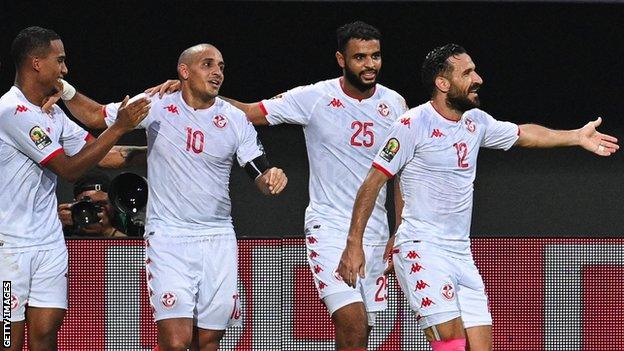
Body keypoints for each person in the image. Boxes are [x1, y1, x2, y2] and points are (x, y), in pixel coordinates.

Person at [337, 43, 619, 351]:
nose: (478, 78)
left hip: (461, 253)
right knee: (452, 343)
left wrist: (576, 137)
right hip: (422, 247)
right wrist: (354, 244)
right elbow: (373, 182)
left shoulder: (476, 123)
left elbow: (523, 134)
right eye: (467, 73)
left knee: (481, 347)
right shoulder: (412, 124)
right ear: (442, 83)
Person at [145, 21, 409, 350]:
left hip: (376, 231)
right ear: (341, 59)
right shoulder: (314, 97)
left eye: (375, 56)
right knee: (352, 322)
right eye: (360, 57)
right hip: (328, 225)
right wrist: (195, 90)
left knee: (363, 330)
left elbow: (402, 171)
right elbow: (252, 112)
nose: (369, 65)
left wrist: (400, 227)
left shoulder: (396, 105)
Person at [52, 43, 288, 351]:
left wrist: (271, 179)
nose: (217, 72)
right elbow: (97, 116)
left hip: (217, 237)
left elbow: (259, 171)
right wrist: (65, 89)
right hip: (169, 236)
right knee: (176, 341)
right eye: (208, 64)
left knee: (207, 340)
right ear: (184, 71)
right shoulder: (156, 103)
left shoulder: (234, 119)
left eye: (221, 66)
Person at [0, 26, 149, 351]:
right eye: (60, 61)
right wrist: (120, 126)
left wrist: (160, 152)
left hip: (49, 244)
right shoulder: (11, 112)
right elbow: (69, 169)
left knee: (46, 336)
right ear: (37, 63)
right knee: (9, 342)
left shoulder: (52, 113)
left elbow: (104, 155)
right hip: (8, 249)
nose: (65, 70)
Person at [58, 169, 142, 237]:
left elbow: (140, 254)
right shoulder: (70, 219)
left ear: (113, 203)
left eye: (101, 204)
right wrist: (57, 226)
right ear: (75, 203)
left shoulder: (127, 221)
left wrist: (107, 231)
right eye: (88, 204)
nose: (94, 210)